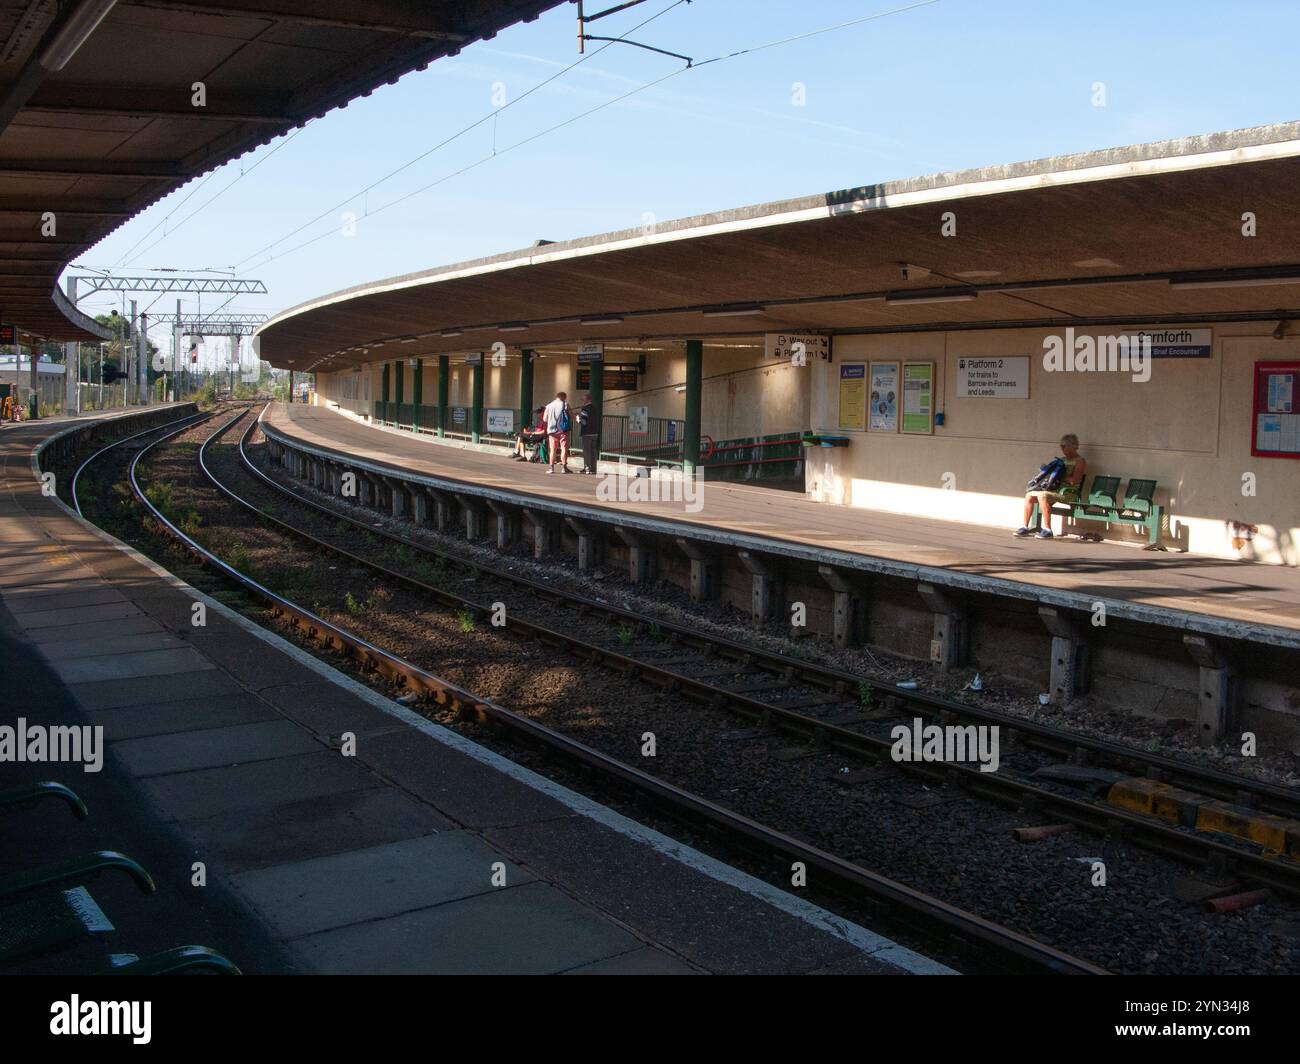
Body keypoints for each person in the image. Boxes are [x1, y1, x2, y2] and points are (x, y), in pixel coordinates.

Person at [1015, 433, 1087, 539]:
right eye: (1061, 447)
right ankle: (1024, 527)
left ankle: (1047, 529)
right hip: (1055, 490)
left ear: (1072, 446)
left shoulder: (1080, 461)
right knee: (1029, 495)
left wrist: (1060, 476)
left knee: (1042, 495)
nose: (1062, 449)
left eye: (1064, 446)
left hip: (1068, 493)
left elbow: (1073, 481)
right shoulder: (1061, 460)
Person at [543, 390, 572, 473]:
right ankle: (564, 468)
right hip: (563, 430)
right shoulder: (565, 404)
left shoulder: (548, 406)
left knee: (553, 449)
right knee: (564, 448)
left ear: (556, 397)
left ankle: (551, 468)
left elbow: (545, 419)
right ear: (564, 397)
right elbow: (571, 416)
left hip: (552, 430)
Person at [577, 392, 599, 474]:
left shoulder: (585, 409)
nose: (582, 401)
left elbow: (584, 421)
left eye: (583, 399)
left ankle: (587, 468)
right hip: (595, 432)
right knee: (593, 451)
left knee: (587, 451)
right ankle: (593, 468)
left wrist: (578, 419)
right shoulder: (595, 408)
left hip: (587, 433)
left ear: (587, 400)